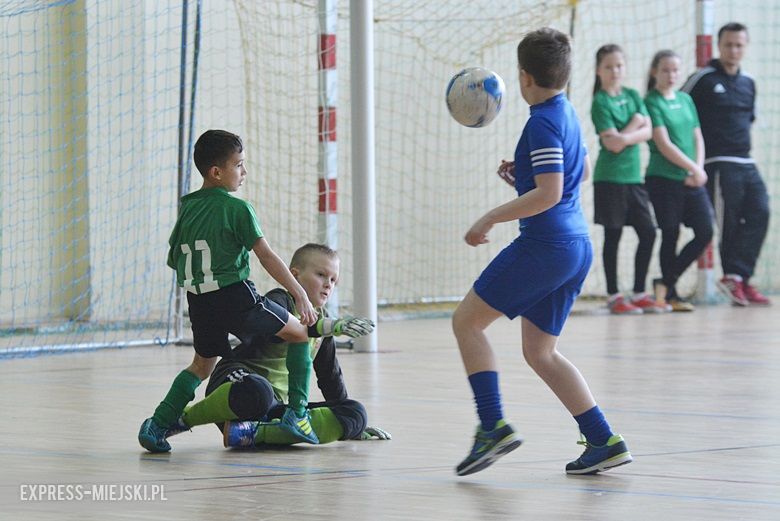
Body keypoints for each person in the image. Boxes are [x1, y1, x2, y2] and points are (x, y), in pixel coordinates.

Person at [453, 28, 631, 476]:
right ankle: (602, 439)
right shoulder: (565, 111)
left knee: (467, 323)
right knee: (540, 351)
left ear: (523, 76)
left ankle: (492, 426)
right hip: (575, 246)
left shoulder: (541, 122)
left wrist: (490, 216)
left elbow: (550, 193)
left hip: (546, 245)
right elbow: (580, 171)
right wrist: (525, 179)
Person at [139, 129, 326, 453]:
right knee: (299, 333)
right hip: (234, 295)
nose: (244, 172)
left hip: (198, 299)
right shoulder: (237, 209)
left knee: (201, 365)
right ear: (216, 172)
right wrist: (299, 293)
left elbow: (174, 258)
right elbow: (266, 256)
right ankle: (297, 416)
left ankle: (157, 424)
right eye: (239, 165)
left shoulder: (188, 208)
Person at [164, 243, 389, 447]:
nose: (328, 285)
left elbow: (330, 375)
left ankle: (256, 433)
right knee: (258, 391)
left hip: (271, 407)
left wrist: (350, 425)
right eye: (321, 275)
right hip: (238, 386)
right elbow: (273, 334)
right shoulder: (278, 300)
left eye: (333, 280)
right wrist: (326, 326)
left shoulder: (324, 322)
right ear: (294, 276)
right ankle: (185, 417)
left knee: (355, 412)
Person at [682, 22, 770, 307]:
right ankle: (733, 277)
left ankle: (739, 276)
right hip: (717, 163)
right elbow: (677, 108)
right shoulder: (703, 78)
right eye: (729, 44)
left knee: (761, 212)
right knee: (729, 221)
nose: (734, 50)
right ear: (719, 46)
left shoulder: (749, 83)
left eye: (739, 45)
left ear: (745, 47)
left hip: (746, 160)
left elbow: (749, 120)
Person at [591, 44, 667, 314]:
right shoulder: (600, 101)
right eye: (609, 66)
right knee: (613, 235)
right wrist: (635, 125)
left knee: (648, 232)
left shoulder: (634, 95)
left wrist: (624, 136)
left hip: (634, 178)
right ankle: (614, 296)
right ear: (599, 70)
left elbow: (648, 133)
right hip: (609, 178)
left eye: (619, 66)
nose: (615, 71)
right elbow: (612, 145)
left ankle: (639, 291)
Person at [644, 50, 714, 312]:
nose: (671, 75)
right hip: (663, 178)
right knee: (670, 232)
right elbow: (663, 143)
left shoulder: (685, 99)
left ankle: (665, 282)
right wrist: (692, 167)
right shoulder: (651, 101)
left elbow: (698, 136)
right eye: (665, 70)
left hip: (692, 178)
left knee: (705, 231)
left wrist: (698, 170)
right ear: (655, 72)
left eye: (675, 70)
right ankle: (671, 294)